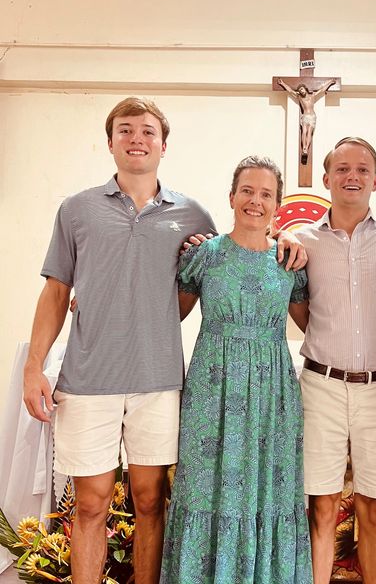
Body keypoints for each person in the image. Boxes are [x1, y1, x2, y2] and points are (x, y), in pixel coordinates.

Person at [22, 97, 217, 583]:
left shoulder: (194, 216)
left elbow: (201, 290)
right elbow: (56, 290)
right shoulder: (77, 210)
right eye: (125, 130)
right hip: (89, 381)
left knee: (150, 501)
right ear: (109, 142)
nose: (137, 138)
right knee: (91, 504)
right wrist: (34, 367)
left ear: (164, 145)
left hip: (158, 381)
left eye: (148, 131)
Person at [160, 156, 312, 583]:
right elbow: (168, 314)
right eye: (247, 191)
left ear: (277, 204)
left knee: (268, 494)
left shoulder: (289, 262)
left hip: (272, 397)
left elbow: (315, 325)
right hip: (213, 392)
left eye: (266, 194)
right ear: (231, 196)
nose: (255, 201)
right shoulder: (205, 255)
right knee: (203, 488)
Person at [288, 137, 376, 584]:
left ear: (375, 180)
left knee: (375, 509)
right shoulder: (302, 239)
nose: (352, 176)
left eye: (362, 169)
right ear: (326, 179)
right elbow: (296, 302)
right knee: (321, 506)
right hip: (320, 386)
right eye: (342, 169)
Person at [276, 78, 336, 163]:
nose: (301, 91)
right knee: (304, 132)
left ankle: (306, 149)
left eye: (302, 89)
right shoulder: (300, 97)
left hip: (312, 116)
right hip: (305, 116)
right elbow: (290, 91)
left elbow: (322, 89)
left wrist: (330, 82)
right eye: (300, 90)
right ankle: (304, 147)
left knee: (309, 133)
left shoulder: (312, 96)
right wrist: (282, 83)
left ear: (305, 89)